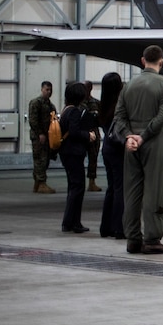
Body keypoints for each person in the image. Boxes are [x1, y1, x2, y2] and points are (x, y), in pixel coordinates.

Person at [114, 45, 163, 255]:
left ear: (142, 61)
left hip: (131, 145)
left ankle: (133, 239)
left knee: (132, 192)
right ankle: (152, 239)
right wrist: (144, 135)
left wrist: (129, 136)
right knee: (155, 191)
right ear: (161, 62)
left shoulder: (128, 86)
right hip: (154, 141)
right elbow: (162, 116)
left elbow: (118, 117)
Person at [59, 81, 99, 233]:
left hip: (66, 153)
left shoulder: (65, 110)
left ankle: (70, 222)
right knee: (77, 187)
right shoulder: (75, 112)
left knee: (73, 187)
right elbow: (74, 132)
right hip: (74, 153)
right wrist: (87, 135)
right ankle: (71, 222)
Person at [98, 72, 125, 239]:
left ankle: (106, 226)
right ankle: (119, 227)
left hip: (107, 148)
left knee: (112, 188)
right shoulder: (118, 106)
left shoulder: (103, 105)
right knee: (120, 189)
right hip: (117, 149)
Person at [27, 81, 57, 194]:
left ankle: (38, 183)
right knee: (40, 159)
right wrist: (40, 133)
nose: (49, 92)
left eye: (50, 90)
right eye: (47, 89)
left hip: (48, 136)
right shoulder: (36, 103)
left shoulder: (50, 105)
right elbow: (33, 120)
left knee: (45, 160)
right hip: (38, 137)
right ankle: (41, 183)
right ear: (42, 89)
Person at [83, 80, 102, 193]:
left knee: (93, 158)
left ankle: (91, 182)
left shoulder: (96, 102)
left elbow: (101, 117)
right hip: (82, 133)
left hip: (94, 132)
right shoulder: (79, 103)